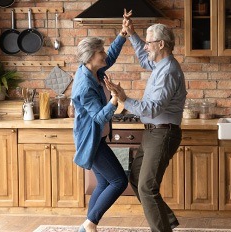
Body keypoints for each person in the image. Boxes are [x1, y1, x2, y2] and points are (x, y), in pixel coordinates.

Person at [105, 18, 187, 232]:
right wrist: (131, 33)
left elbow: (153, 109)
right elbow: (144, 59)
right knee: (135, 177)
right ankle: (166, 220)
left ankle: (162, 229)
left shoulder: (168, 71)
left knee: (146, 187)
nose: (145, 45)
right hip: (153, 133)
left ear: (161, 44)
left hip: (163, 134)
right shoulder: (160, 63)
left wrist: (124, 99)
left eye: (149, 42)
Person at [71, 10, 132, 232]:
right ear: (90, 57)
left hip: (97, 138)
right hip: (91, 140)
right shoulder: (85, 85)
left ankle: (86, 226)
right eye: (100, 52)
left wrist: (122, 34)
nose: (104, 55)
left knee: (106, 182)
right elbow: (97, 118)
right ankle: (90, 224)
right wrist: (114, 100)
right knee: (119, 182)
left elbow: (111, 57)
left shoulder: (93, 72)